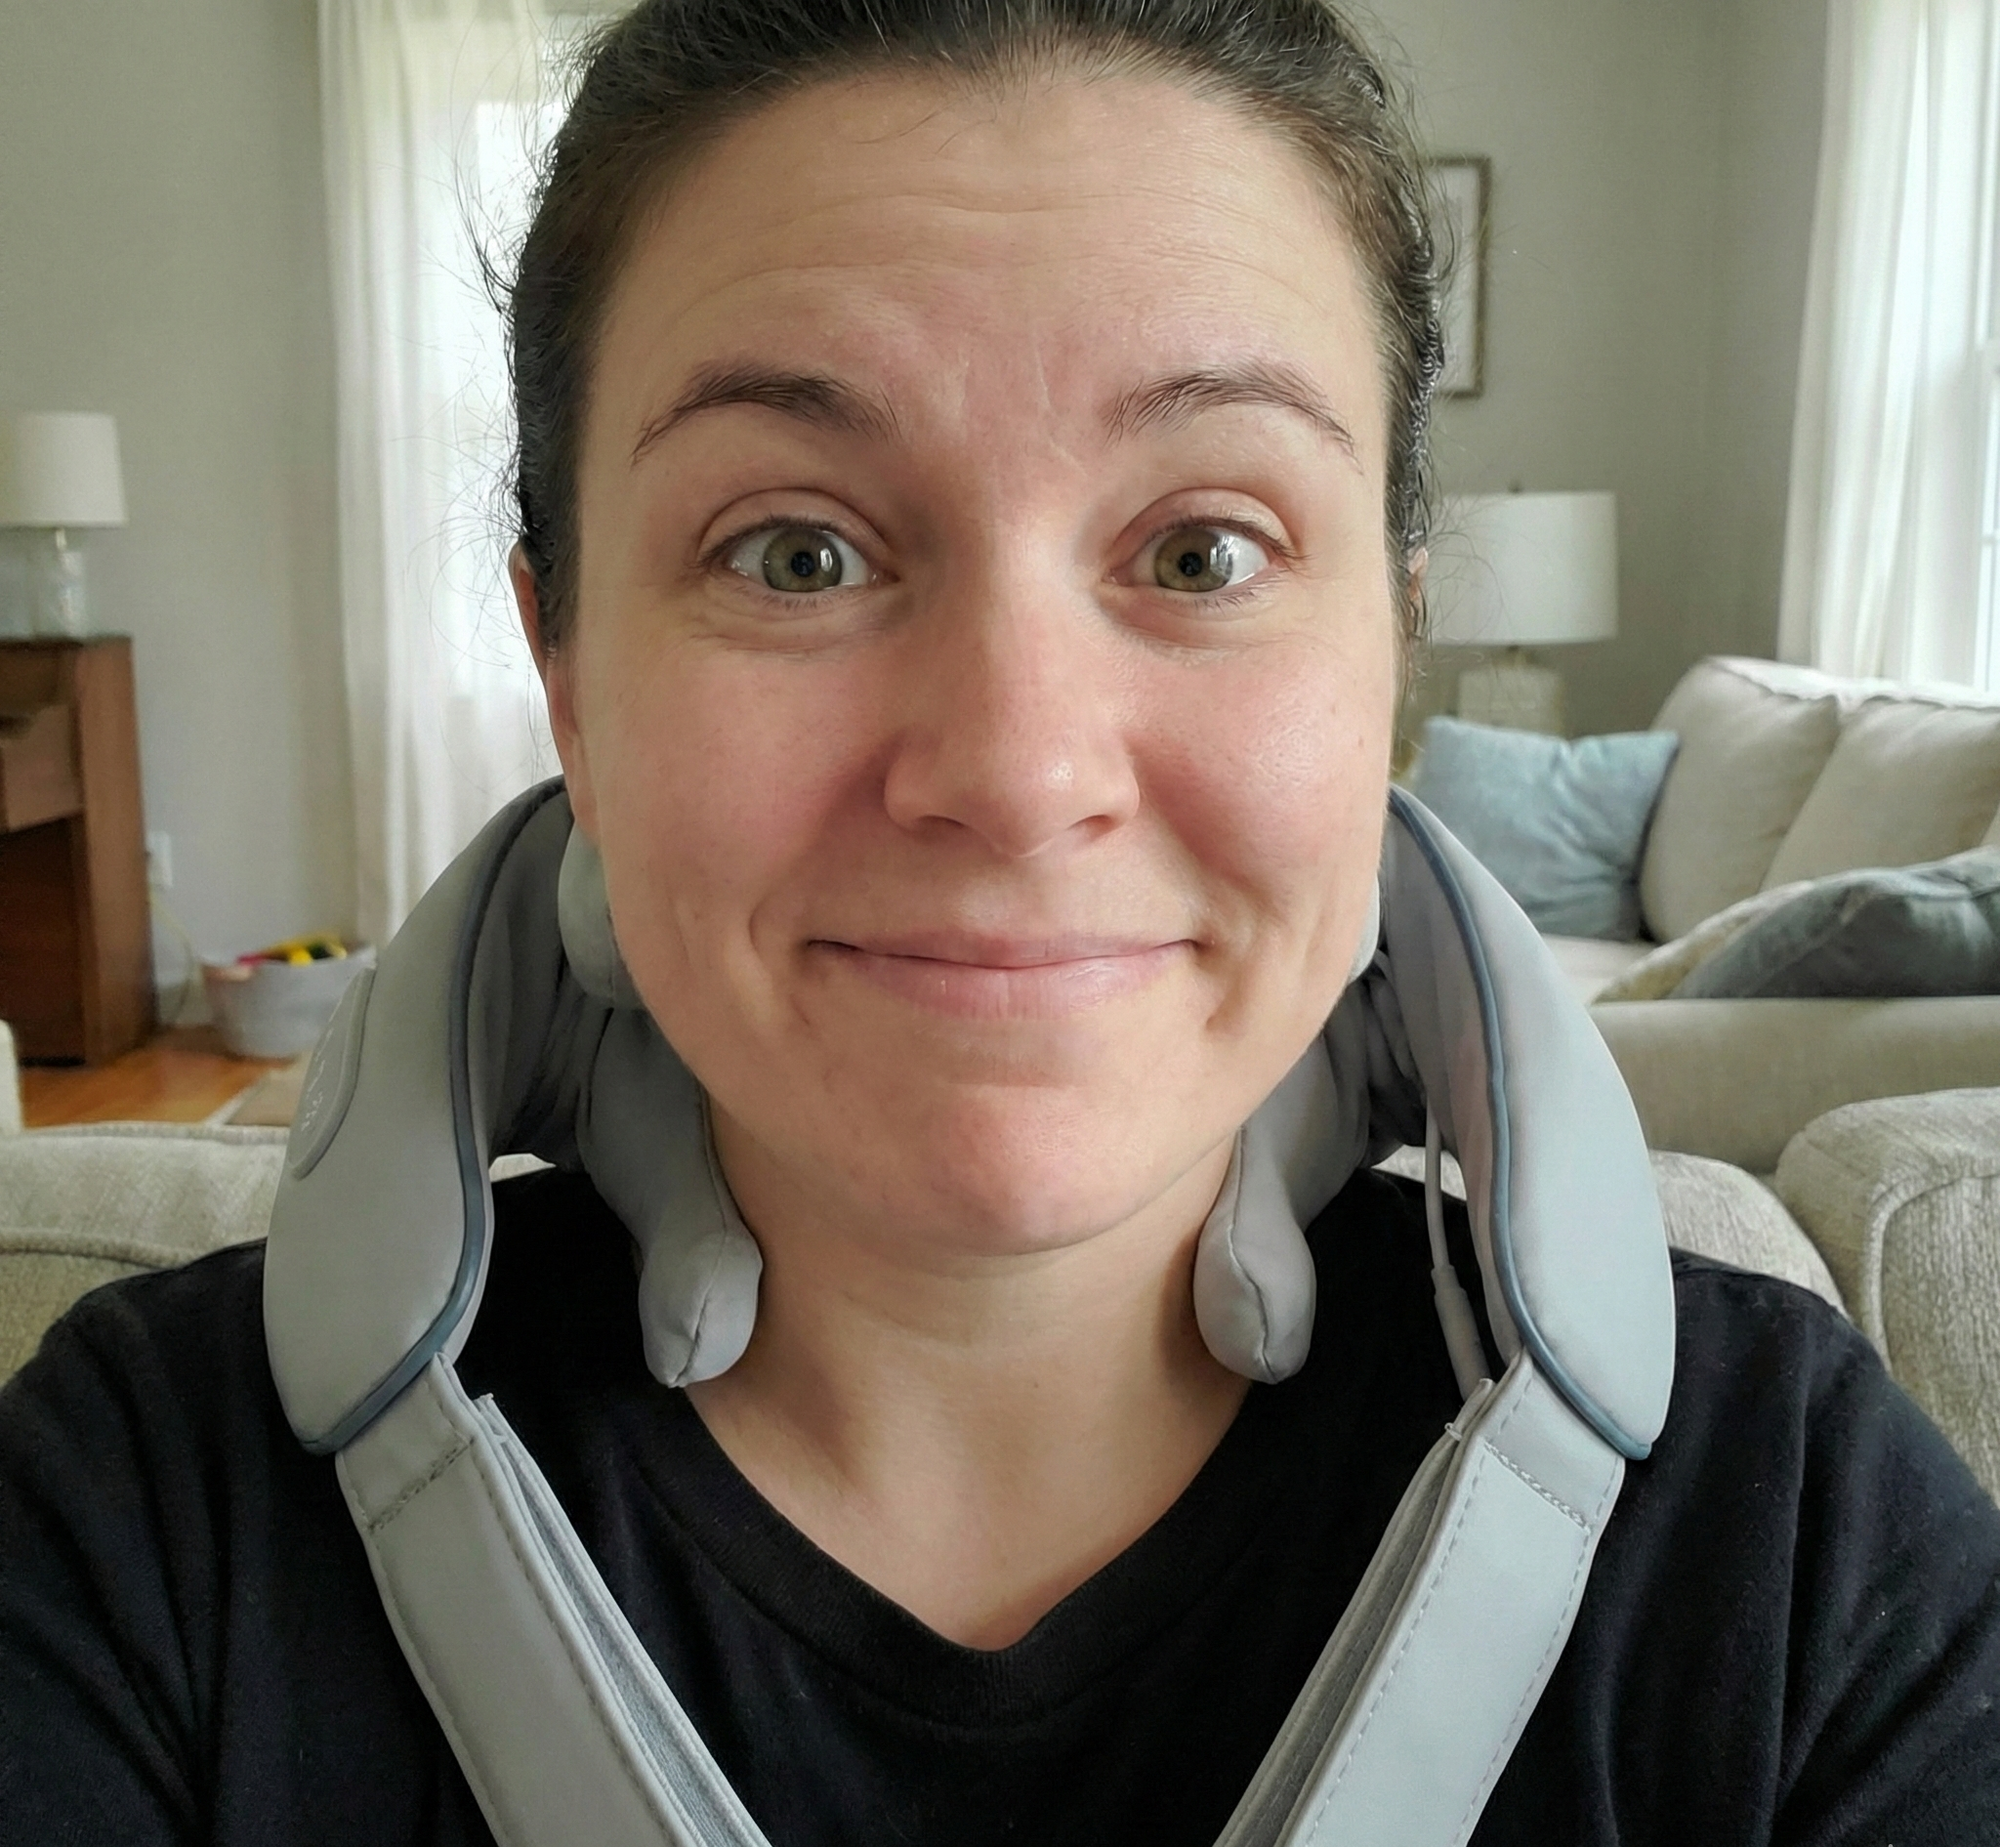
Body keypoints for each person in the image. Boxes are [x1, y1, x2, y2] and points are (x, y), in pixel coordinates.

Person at [3, 2, 1999, 1842]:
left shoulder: (1795, 1532)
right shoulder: (139, 1516)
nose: (1018, 765)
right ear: (567, 669)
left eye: (1203, 547)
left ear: (1393, 642)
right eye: (797, 550)